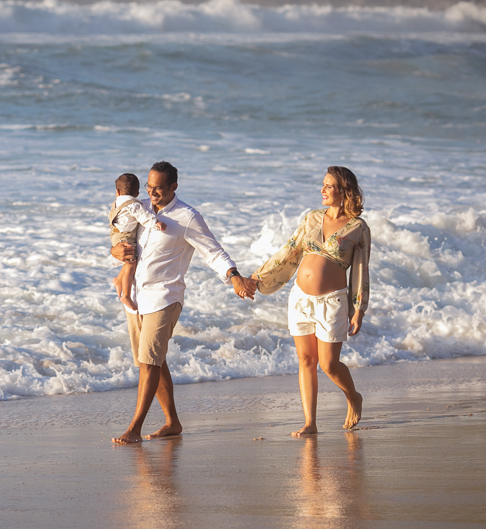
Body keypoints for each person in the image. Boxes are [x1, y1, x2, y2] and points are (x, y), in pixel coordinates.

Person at [110, 161, 255, 444]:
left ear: (174, 187)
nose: (152, 194)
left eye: (159, 189)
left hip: (165, 297)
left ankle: (135, 428)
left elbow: (213, 252)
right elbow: (121, 238)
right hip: (137, 297)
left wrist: (234, 276)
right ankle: (172, 422)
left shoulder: (188, 217)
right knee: (152, 360)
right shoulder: (139, 208)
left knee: (149, 362)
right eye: (149, 188)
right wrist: (115, 250)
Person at [245, 166, 370, 434]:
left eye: (328, 186)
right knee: (305, 360)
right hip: (300, 299)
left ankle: (353, 396)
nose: (322, 190)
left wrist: (358, 309)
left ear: (343, 191)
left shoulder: (358, 228)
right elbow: (290, 250)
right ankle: (310, 423)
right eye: (323, 185)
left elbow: (360, 270)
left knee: (329, 364)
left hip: (332, 302)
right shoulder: (312, 218)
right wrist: (258, 276)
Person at [109, 173, 166, 312]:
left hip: (116, 235)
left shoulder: (117, 203)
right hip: (125, 237)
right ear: (137, 193)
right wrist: (155, 223)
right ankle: (126, 295)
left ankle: (118, 279)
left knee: (129, 262)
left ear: (117, 191)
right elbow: (143, 217)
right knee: (130, 264)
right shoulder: (133, 204)